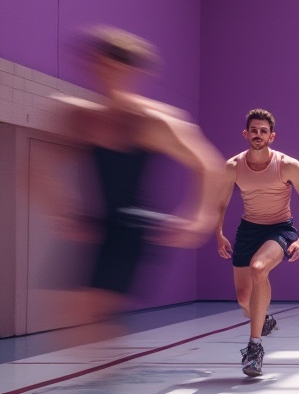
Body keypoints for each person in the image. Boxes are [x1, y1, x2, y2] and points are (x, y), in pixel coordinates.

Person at [50, 26, 223, 313]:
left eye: (107, 65)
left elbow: (209, 165)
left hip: (133, 228)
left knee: (84, 311)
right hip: (97, 224)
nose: (99, 71)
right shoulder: (78, 116)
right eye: (94, 63)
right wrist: (62, 210)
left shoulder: (154, 121)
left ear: (127, 70)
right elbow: (41, 167)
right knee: (74, 312)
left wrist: (200, 216)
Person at [215, 109, 299, 377]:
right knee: (243, 300)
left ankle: (254, 348)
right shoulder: (234, 166)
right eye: (253, 131)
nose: (258, 135)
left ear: (272, 136)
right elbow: (221, 201)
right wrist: (219, 233)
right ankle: (264, 319)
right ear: (245, 134)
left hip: (280, 229)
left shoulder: (287, 165)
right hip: (249, 230)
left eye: (263, 131)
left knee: (259, 268)